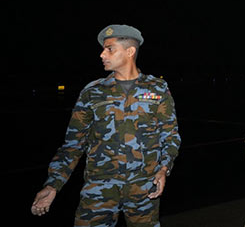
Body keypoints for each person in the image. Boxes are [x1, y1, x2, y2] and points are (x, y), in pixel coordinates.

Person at [31, 24, 181, 226]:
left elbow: (170, 137)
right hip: (99, 190)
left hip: (144, 190)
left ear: (129, 51)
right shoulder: (92, 92)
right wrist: (53, 185)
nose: (102, 54)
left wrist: (164, 169)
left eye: (109, 48)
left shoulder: (157, 89)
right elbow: (73, 144)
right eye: (103, 49)